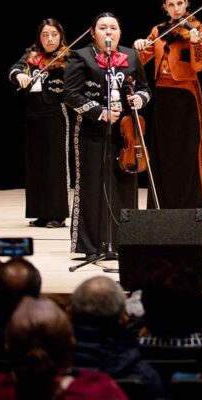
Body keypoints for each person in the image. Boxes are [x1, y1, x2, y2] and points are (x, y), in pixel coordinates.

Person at [63, 13, 150, 257]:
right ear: (93, 33)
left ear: (120, 33)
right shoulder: (80, 56)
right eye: (103, 28)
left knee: (125, 184)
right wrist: (99, 112)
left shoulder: (131, 56)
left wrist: (139, 99)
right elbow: (70, 94)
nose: (108, 32)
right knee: (91, 184)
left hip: (126, 132)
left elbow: (145, 88)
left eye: (113, 28)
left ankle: (125, 241)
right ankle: (91, 244)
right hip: (91, 130)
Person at [133, 0, 202, 215]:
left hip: (187, 94)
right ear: (164, 7)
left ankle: (192, 207)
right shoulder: (158, 31)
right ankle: (164, 205)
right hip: (162, 95)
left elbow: (199, 65)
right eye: (171, 4)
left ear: (187, 3)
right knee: (164, 153)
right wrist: (139, 45)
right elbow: (140, 60)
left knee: (189, 151)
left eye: (180, 3)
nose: (176, 8)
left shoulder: (198, 29)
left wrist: (197, 42)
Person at [9, 18, 76, 228]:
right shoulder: (31, 55)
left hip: (56, 113)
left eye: (54, 34)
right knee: (36, 165)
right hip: (33, 115)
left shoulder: (69, 58)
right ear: (40, 36)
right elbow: (14, 69)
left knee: (55, 165)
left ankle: (57, 214)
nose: (50, 39)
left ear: (60, 36)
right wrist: (20, 74)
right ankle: (40, 212)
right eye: (45, 34)